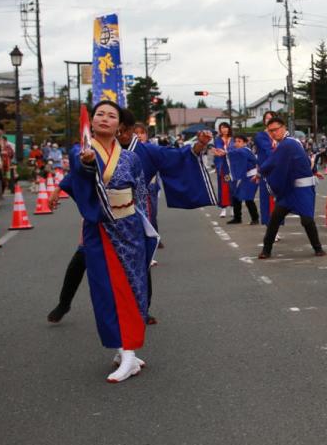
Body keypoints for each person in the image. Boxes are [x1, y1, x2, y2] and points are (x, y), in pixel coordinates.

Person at [60, 100, 214, 382]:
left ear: (121, 126)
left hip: (129, 228)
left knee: (133, 287)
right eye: (99, 115)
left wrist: (197, 147)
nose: (104, 119)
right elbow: (77, 173)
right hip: (101, 228)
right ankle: (123, 347)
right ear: (91, 122)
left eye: (111, 115)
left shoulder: (134, 156)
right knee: (105, 289)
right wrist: (87, 165)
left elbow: (148, 185)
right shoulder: (81, 151)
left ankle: (129, 350)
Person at [258, 115, 325, 259]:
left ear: (284, 128)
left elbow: (272, 162)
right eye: (270, 131)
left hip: (302, 189)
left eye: (275, 130)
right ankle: (266, 249)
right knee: (275, 218)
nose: (273, 133)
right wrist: (314, 171)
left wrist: (261, 171)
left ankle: (318, 248)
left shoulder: (287, 144)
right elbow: (305, 160)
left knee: (307, 220)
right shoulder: (292, 142)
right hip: (289, 189)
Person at [226, 135, 260, 224]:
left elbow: (235, 153)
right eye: (235, 141)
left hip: (252, 177)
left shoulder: (245, 150)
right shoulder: (239, 151)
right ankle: (237, 218)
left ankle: (255, 218)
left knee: (248, 198)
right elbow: (234, 154)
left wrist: (225, 153)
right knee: (236, 196)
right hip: (245, 177)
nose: (236, 143)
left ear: (245, 143)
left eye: (239, 141)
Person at [253, 111, 278, 226]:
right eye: (266, 118)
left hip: (278, 170)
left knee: (277, 198)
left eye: (271, 118)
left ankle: (276, 225)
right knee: (267, 198)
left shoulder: (279, 135)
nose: (268, 120)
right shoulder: (260, 136)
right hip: (266, 170)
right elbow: (269, 151)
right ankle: (270, 225)